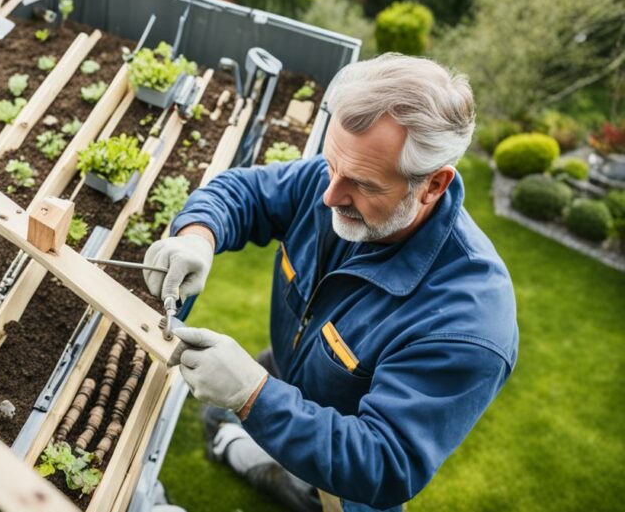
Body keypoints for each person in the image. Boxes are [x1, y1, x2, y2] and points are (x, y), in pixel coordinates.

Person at [142, 53, 518, 512]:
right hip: (298, 369)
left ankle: (259, 463)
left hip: (349, 478)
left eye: (361, 184)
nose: (329, 195)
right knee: (225, 422)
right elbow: (245, 193)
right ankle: (241, 448)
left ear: (433, 184)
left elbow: (383, 462)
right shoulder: (341, 177)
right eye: (331, 164)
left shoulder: (469, 324)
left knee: (314, 498)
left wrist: (254, 397)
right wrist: (197, 237)